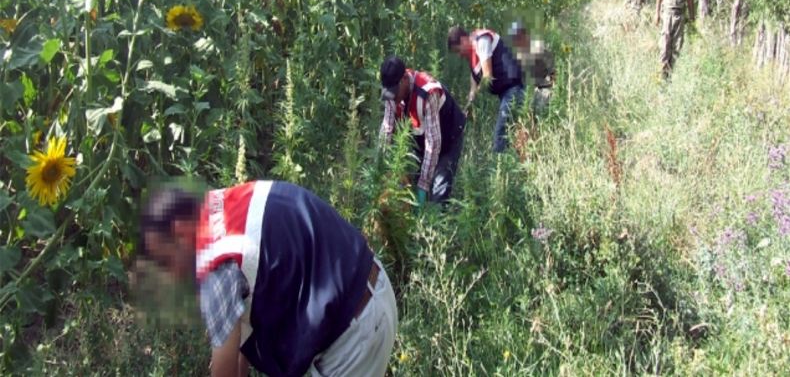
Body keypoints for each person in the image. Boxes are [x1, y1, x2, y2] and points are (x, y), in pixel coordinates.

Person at [139, 180, 398, 377]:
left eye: (166, 261)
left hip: (354, 336)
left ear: (180, 231)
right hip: (371, 295)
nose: (172, 275)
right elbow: (240, 349)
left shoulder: (214, 267)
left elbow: (225, 369)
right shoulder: (227, 206)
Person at [379, 56, 466, 206]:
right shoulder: (392, 94)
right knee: (408, 186)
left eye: (394, 92)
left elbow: (433, 143)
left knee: (438, 190)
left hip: (448, 138)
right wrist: (381, 170)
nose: (393, 99)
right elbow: (387, 128)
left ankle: (435, 224)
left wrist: (423, 185)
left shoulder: (428, 92)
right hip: (421, 138)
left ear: (404, 79)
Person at [447, 26, 525, 153]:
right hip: (505, 94)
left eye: (458, 50)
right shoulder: (472, 59)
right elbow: (473, 88)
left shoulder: (481, 41)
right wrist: (469, 107)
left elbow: (487, 75)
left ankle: (498, 168)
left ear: (463, 40)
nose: (459, 55)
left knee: (500, 136)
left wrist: (477, 97)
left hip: (513, 88)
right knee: (516, 134)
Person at [509, 23, 555, 118]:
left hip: (545, 88)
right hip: (532, 89)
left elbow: (552, 70)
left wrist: (552, 85)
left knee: (538, 113)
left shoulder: (538, 48)